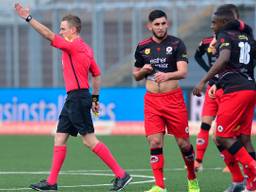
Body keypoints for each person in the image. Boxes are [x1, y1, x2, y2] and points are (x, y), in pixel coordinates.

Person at [14, 3, 132, 191]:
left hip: (77, 98)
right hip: (76, 98)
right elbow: (97, 74)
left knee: (89, 140)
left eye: (62, 29)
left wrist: (28, 18)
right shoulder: (86, 49)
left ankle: (121, 174)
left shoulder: (73, 46)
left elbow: (47, 35)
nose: (60, 32)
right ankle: (51, 183)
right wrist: (94, 99)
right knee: (60, 138)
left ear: (74, 30)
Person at [133, 10, 200, 192]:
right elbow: (136, 74)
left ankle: (192, 178)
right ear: (150, 26)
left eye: (163, 23)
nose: (160, 27)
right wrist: (143, 72)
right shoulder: (142, 46)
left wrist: (167, 75)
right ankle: (159, 185)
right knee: (154, 141)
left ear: (167, 24)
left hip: (173, 100)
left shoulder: (177, 43)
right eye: (157, 24)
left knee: (183, 144)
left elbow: (183, 72)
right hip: (152, 101)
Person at [193, 9, 256, 192]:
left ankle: (251, 170)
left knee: (222, 136)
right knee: (244, 138)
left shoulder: (224, 35)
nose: (212, 26)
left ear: (225, 21)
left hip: (234, 90)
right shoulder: (247, 37)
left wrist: (204, 80)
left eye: (214, 22)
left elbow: (223, 59)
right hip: (249, 87)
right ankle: (251, 185)